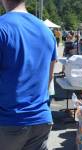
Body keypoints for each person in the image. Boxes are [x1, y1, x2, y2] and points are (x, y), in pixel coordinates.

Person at [0, 0, 57, 150]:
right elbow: (48, 78)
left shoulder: (2, 26)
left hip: (8, 121)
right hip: (41, 119)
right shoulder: (46, 31)